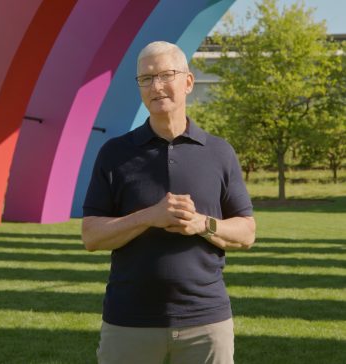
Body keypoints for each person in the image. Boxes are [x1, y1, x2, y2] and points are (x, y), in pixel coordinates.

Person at [82, 41, 256, 364]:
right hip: (128, 323)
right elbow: (91, 236)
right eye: (145, 79)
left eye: (166, 75)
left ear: (188, 82)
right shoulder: (115, 154)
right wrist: (150, 216)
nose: (156, 86)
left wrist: (202, 223)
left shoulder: (219, 152)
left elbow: (247, 232)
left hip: (206, 323)